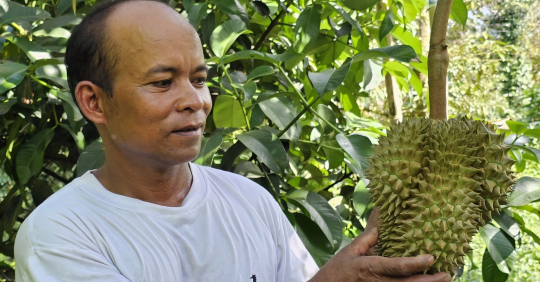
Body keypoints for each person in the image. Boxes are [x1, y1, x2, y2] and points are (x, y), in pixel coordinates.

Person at [14, 1, 452, 281]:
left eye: (199, 79)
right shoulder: (61, 234)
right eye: (163, 82)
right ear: (94, 102)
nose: (195, 101)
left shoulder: (249, 201)